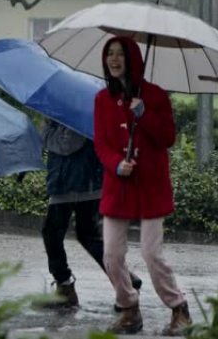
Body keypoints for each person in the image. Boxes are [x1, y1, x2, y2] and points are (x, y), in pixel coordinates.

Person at [93, 36, 192, 335]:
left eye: (120, 54)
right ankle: (129, 309)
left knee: (151, 253)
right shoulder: (102, 99)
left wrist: (144, 114)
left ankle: (179, 308)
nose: (113, 59)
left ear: (133, 59)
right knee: (111, 254)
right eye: (109, 54)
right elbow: (101, 143)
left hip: (150, 186)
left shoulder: (156, 96)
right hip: (118, 187)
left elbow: (167, 138)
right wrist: (115, 164)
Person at [39, 119, 141, 309]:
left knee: (52, 233)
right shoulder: (70, 111)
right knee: (87, 235)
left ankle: (65, 288)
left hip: (73, 182)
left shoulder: (75, 112)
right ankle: (124, 279)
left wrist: (46, 131)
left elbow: (66, 144)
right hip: (79, 182)